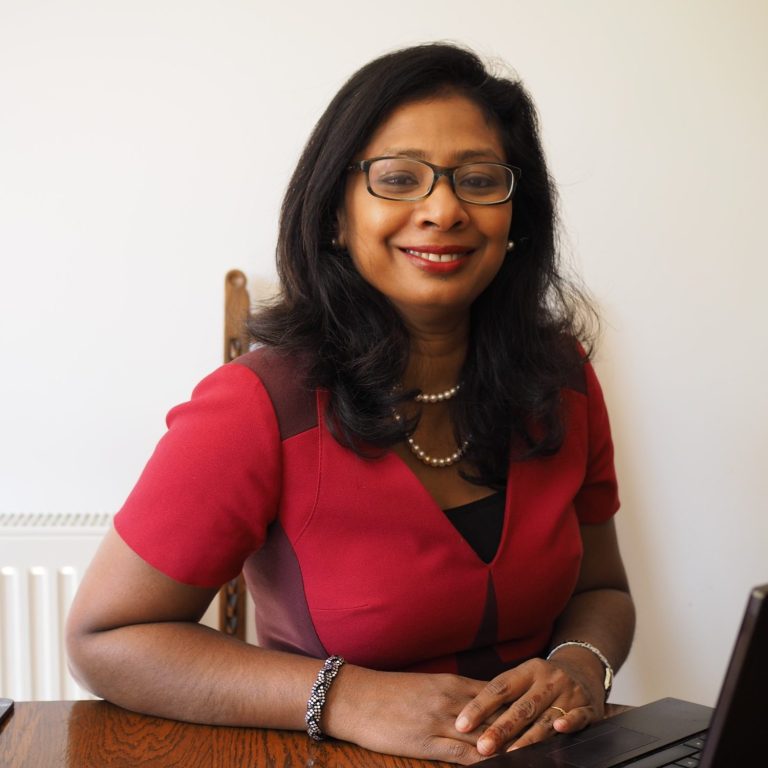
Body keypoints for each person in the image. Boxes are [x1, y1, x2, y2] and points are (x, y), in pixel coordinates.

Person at [66, 42, 635, 764]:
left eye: (479, 180)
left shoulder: (563, 380)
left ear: (516, 217)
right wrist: (346, 697)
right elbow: (105, 639)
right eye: (399, 178)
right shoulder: (255, 407)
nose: (443, 209)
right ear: (336, 214)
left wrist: (582, 664)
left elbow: (604, 589)